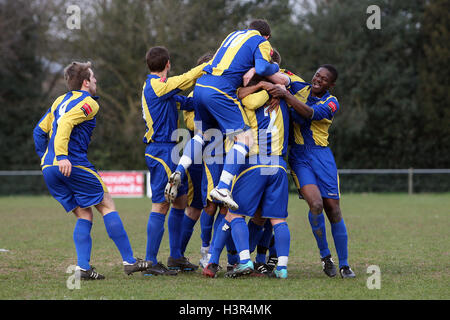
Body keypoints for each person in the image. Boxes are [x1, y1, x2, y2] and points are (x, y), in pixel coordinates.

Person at [33, 61, 150, 280]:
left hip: (50, 169)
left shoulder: (60, 100)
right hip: (71, 163)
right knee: (106, 203)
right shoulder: (89, 102)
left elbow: (38, 131)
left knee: (84, 213)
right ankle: (129, 261)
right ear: (86, 82)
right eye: (94, 78)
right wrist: (62, 156)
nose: (96, 81)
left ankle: (83, 268)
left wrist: (46, 158)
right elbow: (67, 122)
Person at [165, 19, 280, 211]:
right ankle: (224, 187)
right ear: (266, 36)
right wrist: (274, 67)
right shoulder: (261, 41)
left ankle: (178, 171)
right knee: (245, 138)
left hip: (201, 86)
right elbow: (262, 68)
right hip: (220, 90)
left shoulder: (232, 35)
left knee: (202, 135)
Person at [270, 64, 356, 279]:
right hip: (299, 158)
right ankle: (326, 256)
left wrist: (286, 96)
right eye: (317, 75)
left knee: (333, 210)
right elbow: (277, 72)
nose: (318, 79)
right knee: (316, 204)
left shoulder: (332, 102)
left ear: (331, 84)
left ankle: (345, 264)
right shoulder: (300, 86)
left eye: (324, 79)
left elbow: (310, 113)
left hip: (322, 157)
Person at [202, 73, 291, 279]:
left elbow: (245, 97)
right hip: (278, 164)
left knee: (232, 214)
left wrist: (260, 85)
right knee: (275, 219)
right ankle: (282, 267)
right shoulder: (286, 98)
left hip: (251, 162)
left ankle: (238, 261)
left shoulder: (247, 98)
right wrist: (278, 90)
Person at [141, 46, 205, 275]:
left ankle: (176, 257)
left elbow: (187, 102)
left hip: (170, 150)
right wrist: (207, 67)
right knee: (161, 203)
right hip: (161, 151)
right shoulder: (157, 86)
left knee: (179, 203)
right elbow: (186, 79)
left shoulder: (162, 90)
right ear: (168, 63)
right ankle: (150, 263)